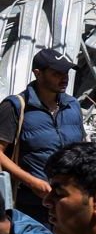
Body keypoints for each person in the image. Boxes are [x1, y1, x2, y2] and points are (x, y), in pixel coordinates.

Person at [0, 49, 85, 223]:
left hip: (72, 198)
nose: (64, 78)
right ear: (38, 73)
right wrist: (32, 182)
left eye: (66, 73)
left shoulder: (72, 105)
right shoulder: (16, 106)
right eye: (57, 73)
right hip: (32, 203)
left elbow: (81, 147)